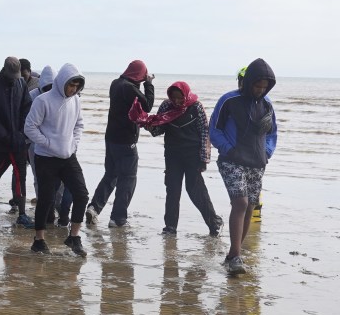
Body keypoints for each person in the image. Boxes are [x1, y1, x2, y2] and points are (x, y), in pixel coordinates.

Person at [209, 59, 277, 275]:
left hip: (257, 163)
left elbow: (272, 133)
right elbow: (214, 129)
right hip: (231, 160)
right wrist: (229, 150)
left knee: (250, 207)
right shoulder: (229, 100)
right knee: (240, 202)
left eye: (264, 87)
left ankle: (232, 254)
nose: (261, 90)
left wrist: (266, 153)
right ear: (248, 82)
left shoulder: (266, 104)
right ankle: (237, 256)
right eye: (258, 85)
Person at [132, 81, 223, 236]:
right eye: (174, 98)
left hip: (193, 156)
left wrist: (204, 159)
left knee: (195, 190)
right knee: (172, 190)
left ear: (186, 95)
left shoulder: (196, 107)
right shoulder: (166, 107)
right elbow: (158, 129)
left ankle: (214, 223)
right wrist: (148, 125)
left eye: (180, 98)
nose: (177, 101)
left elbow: (204, 133)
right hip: (172, 155)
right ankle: (170, 227)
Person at [23, 63, 90, 256]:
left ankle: (74, 237)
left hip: (68, 156)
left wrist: (74, 144)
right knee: (46, 199)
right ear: (62, 82)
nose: (74, 89)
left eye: (77, 86)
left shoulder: (76, 100)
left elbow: (79, 125)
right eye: (71, 85)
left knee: (82, 194)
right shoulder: (43, 100)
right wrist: (47, 143)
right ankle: (39, 240)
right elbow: (29, 127)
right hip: (46, 157)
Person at [86, 59, 155, 228]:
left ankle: (94, 207)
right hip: (126, 141)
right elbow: (147, 106)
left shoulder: (115, 84)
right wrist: (149, 84)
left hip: (111, 138)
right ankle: (118, 219)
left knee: (111, 174)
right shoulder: (129, 88)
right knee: (128, 179)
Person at [0, 57, 33, 226]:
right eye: (12, 76)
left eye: (16, 76)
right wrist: (3, 134)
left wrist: (20, 132)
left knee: (20, 176)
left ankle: (22, 214)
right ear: (3, 70)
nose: (14, 79)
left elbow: (27, 107)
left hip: (17, 141)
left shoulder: (21, 84)